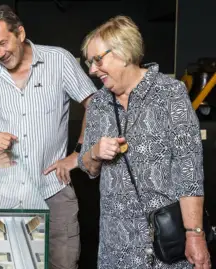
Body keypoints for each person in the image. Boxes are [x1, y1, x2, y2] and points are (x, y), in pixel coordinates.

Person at [0, 4, 97, 268]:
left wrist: (78, 153)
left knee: (62, 263)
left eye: (3, 43)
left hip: (53, 191)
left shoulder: (58, 60)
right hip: (4, 193)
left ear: (21, 33)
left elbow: (93, 101)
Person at [77, 15, 211, 268]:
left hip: (166, 244)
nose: (92, 70)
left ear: (124, 52)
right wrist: (94, 153)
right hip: (115, 244)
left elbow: (189, 171)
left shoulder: (170, 94)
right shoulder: (98, 104)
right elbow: (87, 167)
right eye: (89, 62)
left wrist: (195, 234)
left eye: (97, 60)